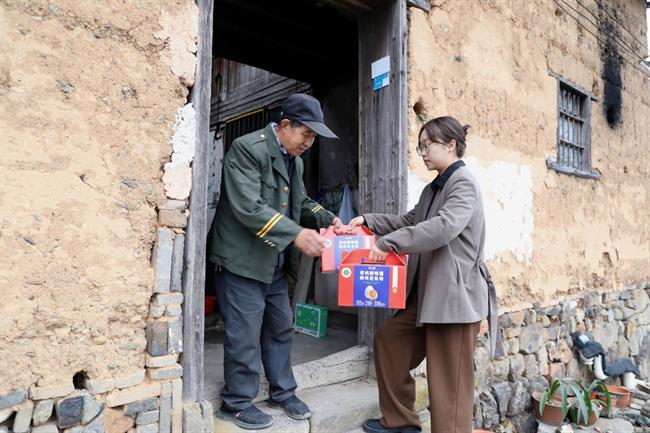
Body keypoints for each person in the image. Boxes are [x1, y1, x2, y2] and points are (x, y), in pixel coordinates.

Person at [209, 94, 344, 429]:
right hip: (242, 261)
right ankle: (236, 403)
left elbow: (301, 201)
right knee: (244, 334)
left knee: (281, 327)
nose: (309, 143)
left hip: (274, 262)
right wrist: (296, 234)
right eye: (305, 134)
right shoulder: (247, 149)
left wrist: (328, 218)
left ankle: (282, 393)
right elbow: (249, 207)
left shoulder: (294, 160)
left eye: (313, 137)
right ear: (285, 125)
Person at [350, 116, 490, 433]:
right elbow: (410, 221)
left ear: (451, 145)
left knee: (449, 386)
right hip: (426, 295)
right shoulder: (433, 188)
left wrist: (388, 244)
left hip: (453, 300)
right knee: (389, 342)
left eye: (428, 146)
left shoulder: (463, 183)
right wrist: (368, 221)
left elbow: (443, 228)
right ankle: (400, 421)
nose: (423, 152)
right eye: (420, 147)